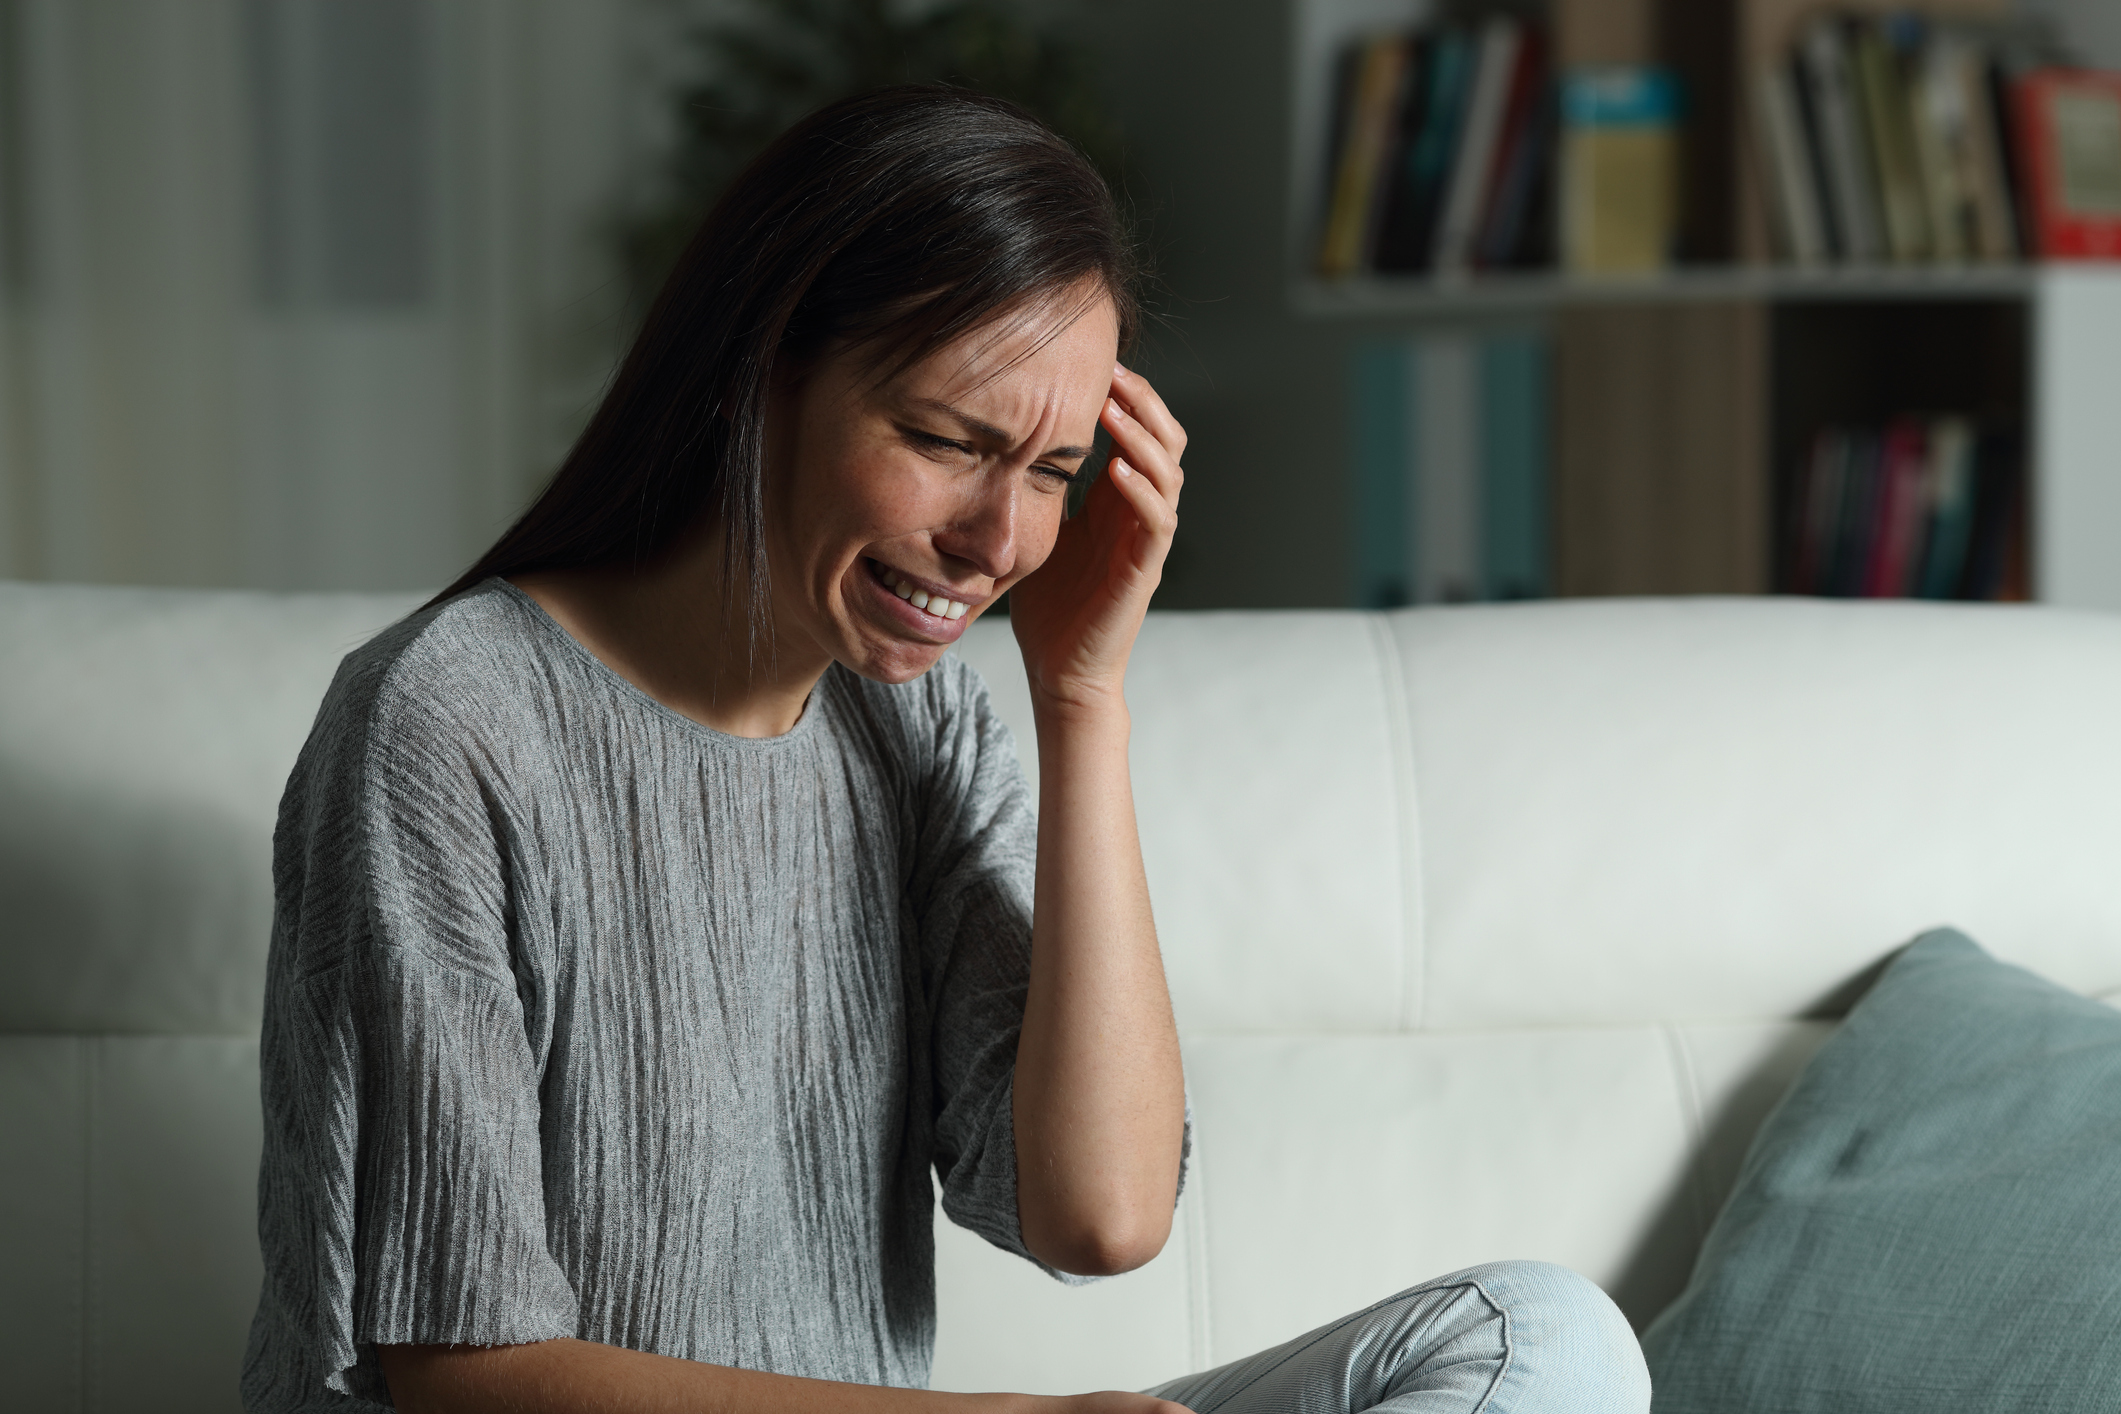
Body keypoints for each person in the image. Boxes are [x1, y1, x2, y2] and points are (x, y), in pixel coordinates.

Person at [243, 86, 1649, 1414]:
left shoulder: (911, 724)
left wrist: (1081, 692)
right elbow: (458, 1377)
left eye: (1047, 474)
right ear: (757, 375)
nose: (997, 543)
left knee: (1534, 1337)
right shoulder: (446, 721)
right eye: (942, 438)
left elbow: (1100, 1212)